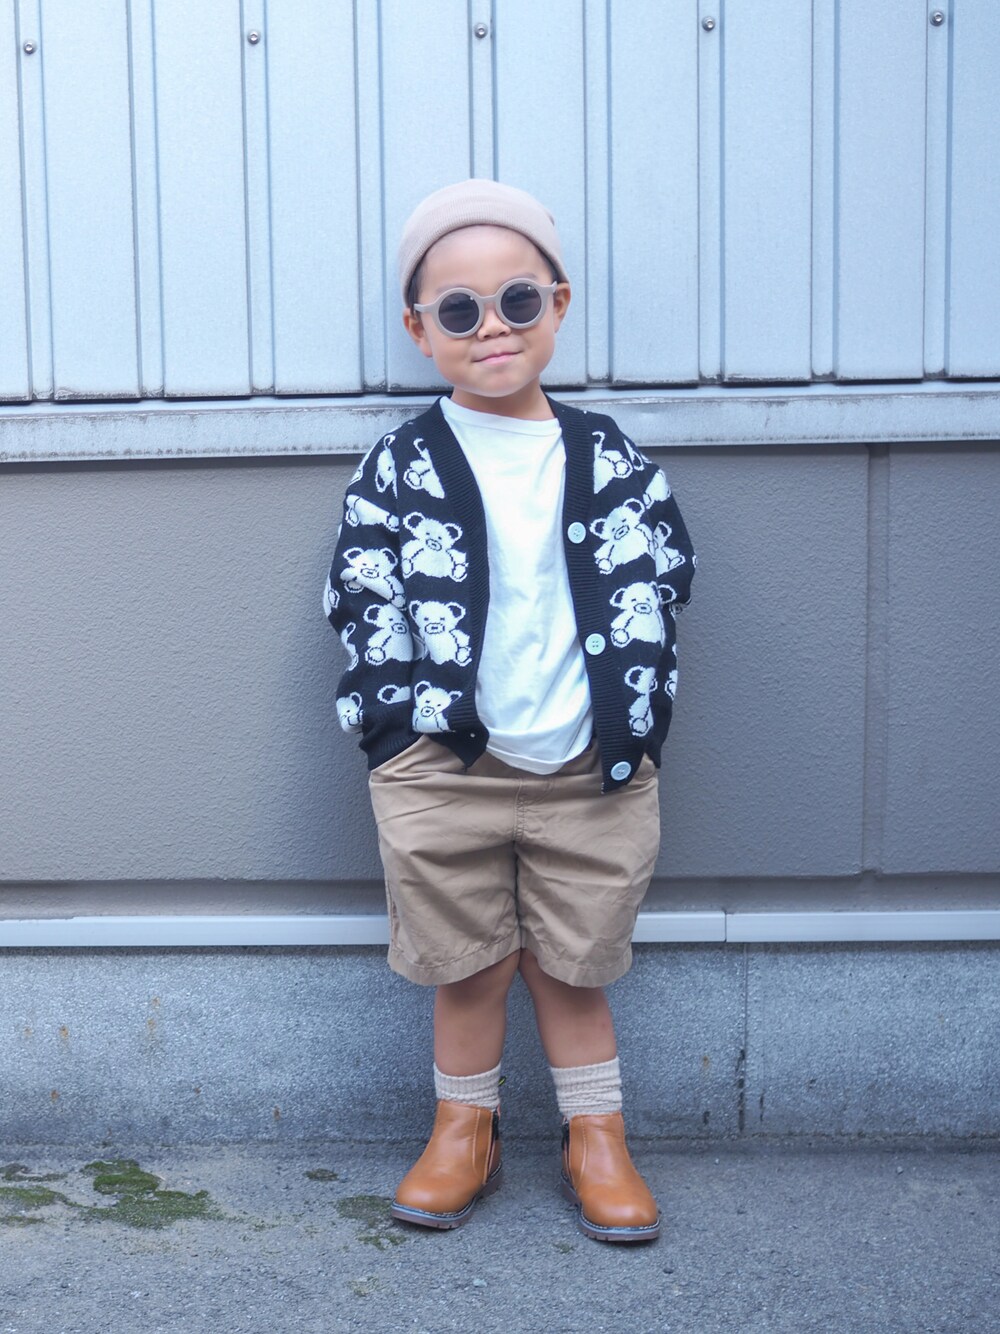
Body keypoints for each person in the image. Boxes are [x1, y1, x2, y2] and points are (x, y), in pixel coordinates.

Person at [323, 179, 694, 1244]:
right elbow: (362, 593)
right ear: (420, 330)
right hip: (443, 765)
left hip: (592, 764)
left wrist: (637, 713)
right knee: (471, 963)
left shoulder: (609, 457)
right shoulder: (400, 464)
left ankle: (596, 1137)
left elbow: (666, 575)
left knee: (574, 966)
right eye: (460, 309)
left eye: (517, 300)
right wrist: (394, 731)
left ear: (557, 305)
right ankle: (464, 1129)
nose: (492, 327)